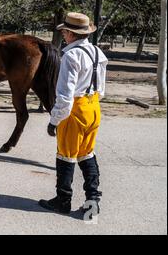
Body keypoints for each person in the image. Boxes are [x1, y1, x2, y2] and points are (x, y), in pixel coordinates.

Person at [39, 12, 108, 217]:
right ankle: (93, 200)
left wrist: (54, 121)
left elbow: (65, 95)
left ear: (70, 33)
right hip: (94, 107)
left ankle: (63, 201)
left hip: (75, 109)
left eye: (64, 32)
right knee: (87, 154)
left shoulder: (70, 56)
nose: (63, 35)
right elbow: (102, 89)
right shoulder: (97, 52)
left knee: (66, 156)